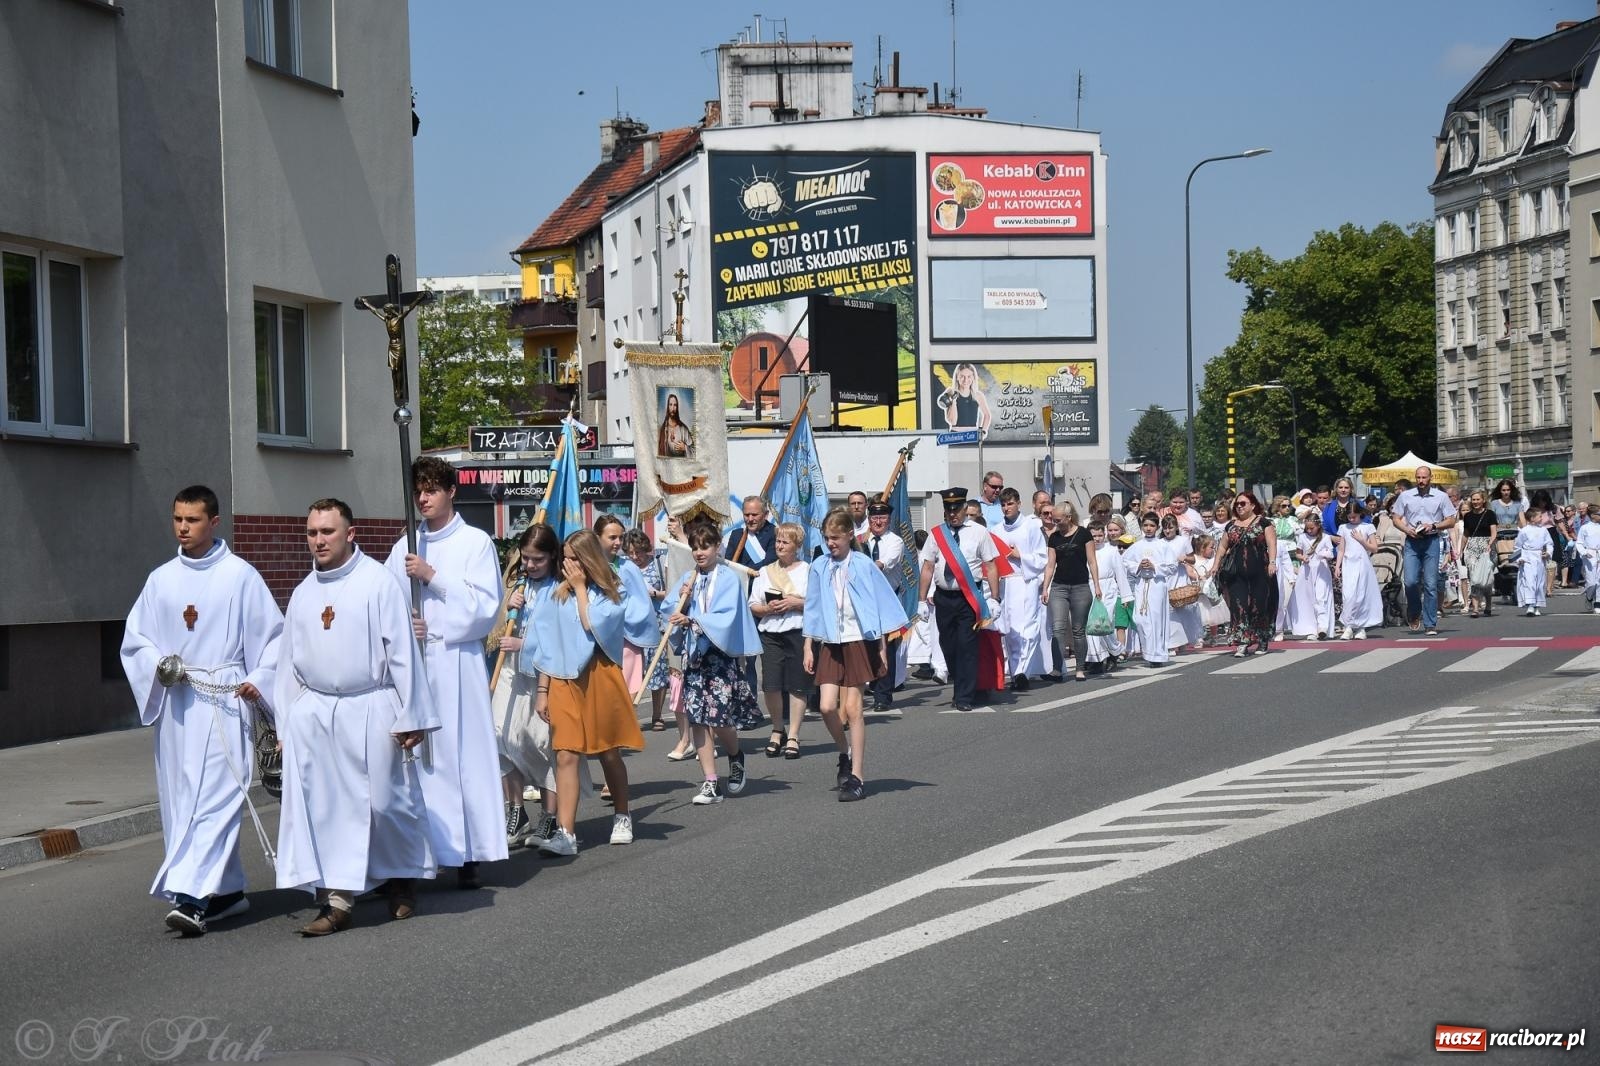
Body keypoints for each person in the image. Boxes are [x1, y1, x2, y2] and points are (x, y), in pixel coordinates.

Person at [121, 485, 283, 937]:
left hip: (226, 700)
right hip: (178, 705)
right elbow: (137, 639)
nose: (183, 528)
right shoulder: (161, 579)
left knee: (216, 798)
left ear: (214, 523)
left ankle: (192, 900)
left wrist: (261, 678)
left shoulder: (240, 576)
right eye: (177, 519)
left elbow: (273, 638)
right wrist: (158, 663)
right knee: (181, 800)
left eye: (192, 520)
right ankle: (228, 892)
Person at [274, 499, 439, 935]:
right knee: (328, 809)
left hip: (371, 707)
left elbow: (403, 653)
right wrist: (285, 723)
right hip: (317, 714)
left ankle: (402, 876)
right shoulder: (303, 591)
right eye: (312, 532)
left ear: (350, 533)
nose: (318, 540)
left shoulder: (377, 583)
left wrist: (413, 713)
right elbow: (287, 663)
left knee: (385, 804)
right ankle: (337, 901)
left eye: (327, 531)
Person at [385, 456, 507, 890]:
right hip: (418, 664)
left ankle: (468, 851)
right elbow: (386, 601)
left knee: (462, 759)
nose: (423, 497)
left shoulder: (475, 543)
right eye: (418, 489)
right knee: (418, 762)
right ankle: (423, 851)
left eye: (432, 489)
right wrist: (406, 624)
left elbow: (484, 607)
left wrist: (433, 577)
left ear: (451, 491)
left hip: (458, 662)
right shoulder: (406, 543)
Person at [525, 530, 644, 855]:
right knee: (565, 754)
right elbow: (549, 644)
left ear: (589, 558)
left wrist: (580, 589)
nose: (569, 565)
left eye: (575, 558)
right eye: (565, 558)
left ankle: (622, 814)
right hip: (562, 679)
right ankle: (566, 833)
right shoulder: (557, 594)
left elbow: (595, 625)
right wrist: (543, 690)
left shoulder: (611, 591)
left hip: (598, 676)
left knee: (608, 751)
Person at [803, 509, 909, 801]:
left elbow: (879, 604)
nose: (831, 543)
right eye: (827, 538)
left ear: (850, 535)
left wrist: (881, 647)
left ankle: (857, 776)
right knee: (826, 706)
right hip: (831, 643)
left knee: (853, 709)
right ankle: (844, 752)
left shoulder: (863, 564)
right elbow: (812, 606)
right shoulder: (819, 566)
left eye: (836, 538)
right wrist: (808, 645)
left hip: (859, 641)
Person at [668, 520, 764, 805]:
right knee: (697, 718)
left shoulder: (728, 578)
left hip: (719, 656)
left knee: (721, 719)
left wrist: (694, 619)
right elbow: (670, 610)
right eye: (695, 547)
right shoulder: (689, 577)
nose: (699, 552)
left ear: (717, 547)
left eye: (705, 546)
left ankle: (735, 755)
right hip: (694, 657)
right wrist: (681, 606)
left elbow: (727, 615)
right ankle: (710, 781)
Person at [490, 523, 562, 849]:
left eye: (538, 560)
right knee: (499, 736)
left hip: (541, 678)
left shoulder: (559, 590)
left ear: (552, 557)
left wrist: (524, 644)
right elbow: (497, 626)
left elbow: (561, 638)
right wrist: (508, 606)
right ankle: (516, 811)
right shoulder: (518, 583)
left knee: (539, 743)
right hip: (509, 673)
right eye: (526, 559)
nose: (531, 566)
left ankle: (551, 815)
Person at [918, 487, 1000, 712]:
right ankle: (959, 683)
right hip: (944, 597)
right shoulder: (937, 534)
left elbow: (991, 566)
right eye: (948, 509)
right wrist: (921, 600)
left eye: (957, 509)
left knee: (967, 646)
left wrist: (994, 598)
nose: (952, 514)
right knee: (948, 646)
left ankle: (964, 696)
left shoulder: (979, 532)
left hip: (969, 597)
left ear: (965, 508)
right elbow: (927, 567)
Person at [748, 522, 812, 759]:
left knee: (797, 685)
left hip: (798, 632)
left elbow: (818, 603)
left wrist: (796, 603)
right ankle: (778, 729)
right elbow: (753, 604)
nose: (779, 545)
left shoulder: (808, 570)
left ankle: (794, 735)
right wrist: (767, 609)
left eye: (785, 542)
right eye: (778, 541)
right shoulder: (765, 572)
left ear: (796, 545)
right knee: (771, 685)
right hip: (771, 633)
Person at [1390, 466, 1457, 635]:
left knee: (1430, 583)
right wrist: (1407, 530)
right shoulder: (1405, 496)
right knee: (1410, 581)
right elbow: (1395, 518)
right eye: (1418, 477)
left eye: (1424, 477)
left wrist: (1433, 525)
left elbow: (1451, 520)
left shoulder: (1441, 497)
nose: (1421, 481)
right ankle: (1414, 611)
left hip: (1431, 540)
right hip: (1412, 541)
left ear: (1430, 478)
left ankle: (1430, 623)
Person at [995, 488, 1050, 688]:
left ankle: (1022, 673)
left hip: (1026, 581)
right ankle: (1014, 671)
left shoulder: (1031, 527)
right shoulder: (996, 530)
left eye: (1010, 504)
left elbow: (1042, 557)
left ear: (1019, 503)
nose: (1006, 508)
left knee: (1027, 629)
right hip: (1005, 583)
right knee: (1010, 631)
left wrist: (1021, 556)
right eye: (1003, 504)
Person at [1215, 492, 1278, 656]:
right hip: (1237, 574)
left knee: (1259, 606)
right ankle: (1242, 641)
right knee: (1239, 606)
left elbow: (1272, 544)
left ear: (1252, 505)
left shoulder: (1264, 523)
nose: (1239, 506)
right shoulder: (1231, 525)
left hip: (1260, 572)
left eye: (1243, 503)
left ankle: (1262, 640)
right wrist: (1215, 565)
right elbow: (1222, 547)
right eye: (1237, 504)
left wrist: (1272, 562)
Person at [1044, 500, 1101, 682]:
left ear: (1069, 518)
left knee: (1078, 629)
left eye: (1058, 520)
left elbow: (1092, 561)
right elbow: (1050, 565)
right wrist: (1045, 587)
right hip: (1059, 587)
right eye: (1054, 519)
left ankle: (1080, 668)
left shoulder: (1084, 534)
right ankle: (1057, 668)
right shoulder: (1054, 537)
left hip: (1080, 587)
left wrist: (1097, 585)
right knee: (1058, 628)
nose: (1055, 523)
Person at [862, 499, 909, 709]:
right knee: (866, 646)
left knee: (886, 647)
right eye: (874, 517)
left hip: (887, 600)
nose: (877, 522)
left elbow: (883, 564)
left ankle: (883, 695)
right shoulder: (862, 540)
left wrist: (863, 566)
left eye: (881, 518)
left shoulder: (895, 542)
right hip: (864, 600)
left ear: (888, 520)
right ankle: (870, 685)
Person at [1122, 512, 1180, 666]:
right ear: (1141, 526)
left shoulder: (1163, 545)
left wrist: (1155, 567)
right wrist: (1138, 566)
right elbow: (1125, 562)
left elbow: (1173, 566)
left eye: (1152, 525)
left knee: (1156, 619)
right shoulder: (1137, 546)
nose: (1148, 528)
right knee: (1140, 619)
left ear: (1157, 527)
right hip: (1141, 583)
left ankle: (1157, 655)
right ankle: (1147, 651)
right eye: (1146, 525)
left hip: (1157, 585)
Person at [1334, 502, 1383, 639]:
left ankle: (1360, 627)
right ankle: (1348, 625)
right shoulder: (1343, 528)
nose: (1351, 519)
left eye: (1354, 517)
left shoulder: (1368, 527)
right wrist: (1338, 566)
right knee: (1348, 596)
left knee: (1361, 595)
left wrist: (1362, 540)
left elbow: (1374, 548)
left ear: (1360, 514)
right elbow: (1341, 549)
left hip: (1362, 564)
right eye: (1349, 517)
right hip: (1348, 564)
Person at [1086, 521, 1131, 669]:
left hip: (1108, 588)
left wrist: (1125, 596)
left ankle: (1113, 651)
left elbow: (1120, 573)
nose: (1097, 539)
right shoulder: (1084, 550)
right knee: (1092, 625)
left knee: (1106, 623)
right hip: (1090, 586)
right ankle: (1096, 660)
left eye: (1100, 535)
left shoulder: (1111, 550)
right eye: (1094, 536)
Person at [1288, 511, 1336, 639]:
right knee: (1309, 599)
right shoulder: (1303, 537)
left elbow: (1331, 554)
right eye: (1307, 528)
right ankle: (1311, 628)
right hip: (1307, 571)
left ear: (1318, 526)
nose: (1309, 531)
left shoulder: (1325, 538)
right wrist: (1302, 557)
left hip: (1321, 571)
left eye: (1312, 528)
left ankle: (1322, 626)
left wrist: (1323, 554)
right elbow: (1298, 553)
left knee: (1321, 597)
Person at [1459, 491, 1498, 618]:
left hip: (1487, 547)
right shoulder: (1468, 516)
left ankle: (1488, 604)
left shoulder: (1490, 514)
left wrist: (1490, 544)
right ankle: (1475, 608)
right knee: (1474, 578)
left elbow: (1494, 533)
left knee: (1486, 579)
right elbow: (1466, 534)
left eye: (1477, 499)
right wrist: (1461, 550)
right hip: (1472, 548)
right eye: (1473, 500)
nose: (1475, 502)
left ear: (1483, 500)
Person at [1512, 506, 1553, 617]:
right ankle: (1530, 605)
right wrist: (1519, 559)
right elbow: (1518, 547)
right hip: (1527, 558)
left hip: (1539, 557)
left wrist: (1548, 553)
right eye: (1539, 516)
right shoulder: (1524, 531)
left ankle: (1537, 606)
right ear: (1532, 518)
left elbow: (1549, 543)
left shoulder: (1543, 530)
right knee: (1529, 582)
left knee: (1539, 583)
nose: (1541, 518)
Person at [938, 361, 992, 435]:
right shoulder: (950, 391)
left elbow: (987, 415)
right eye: (962, 376)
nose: (966, 380)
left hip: (972, 435)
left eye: (969, 376)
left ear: (973, 377)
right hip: (955, 435)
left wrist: (983, 431)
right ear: (957, 377)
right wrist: (953, 400)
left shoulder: (978, 395)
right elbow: (953, 421)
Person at [725, 495, 777, 570]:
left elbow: (769, 564)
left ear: (765, 515)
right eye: (746, 515)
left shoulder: (775, 533)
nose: (750, 519)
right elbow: (728, 563)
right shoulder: (736, 535)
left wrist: (743, 571)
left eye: (754, 515)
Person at [657, 391, 693, 458]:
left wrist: (685, 448)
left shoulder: (683, 428)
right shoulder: (663, 429)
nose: (673, 408)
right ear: (668, 406)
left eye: (675, 405)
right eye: (670, 404)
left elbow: (694, 451)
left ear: (677, 407)